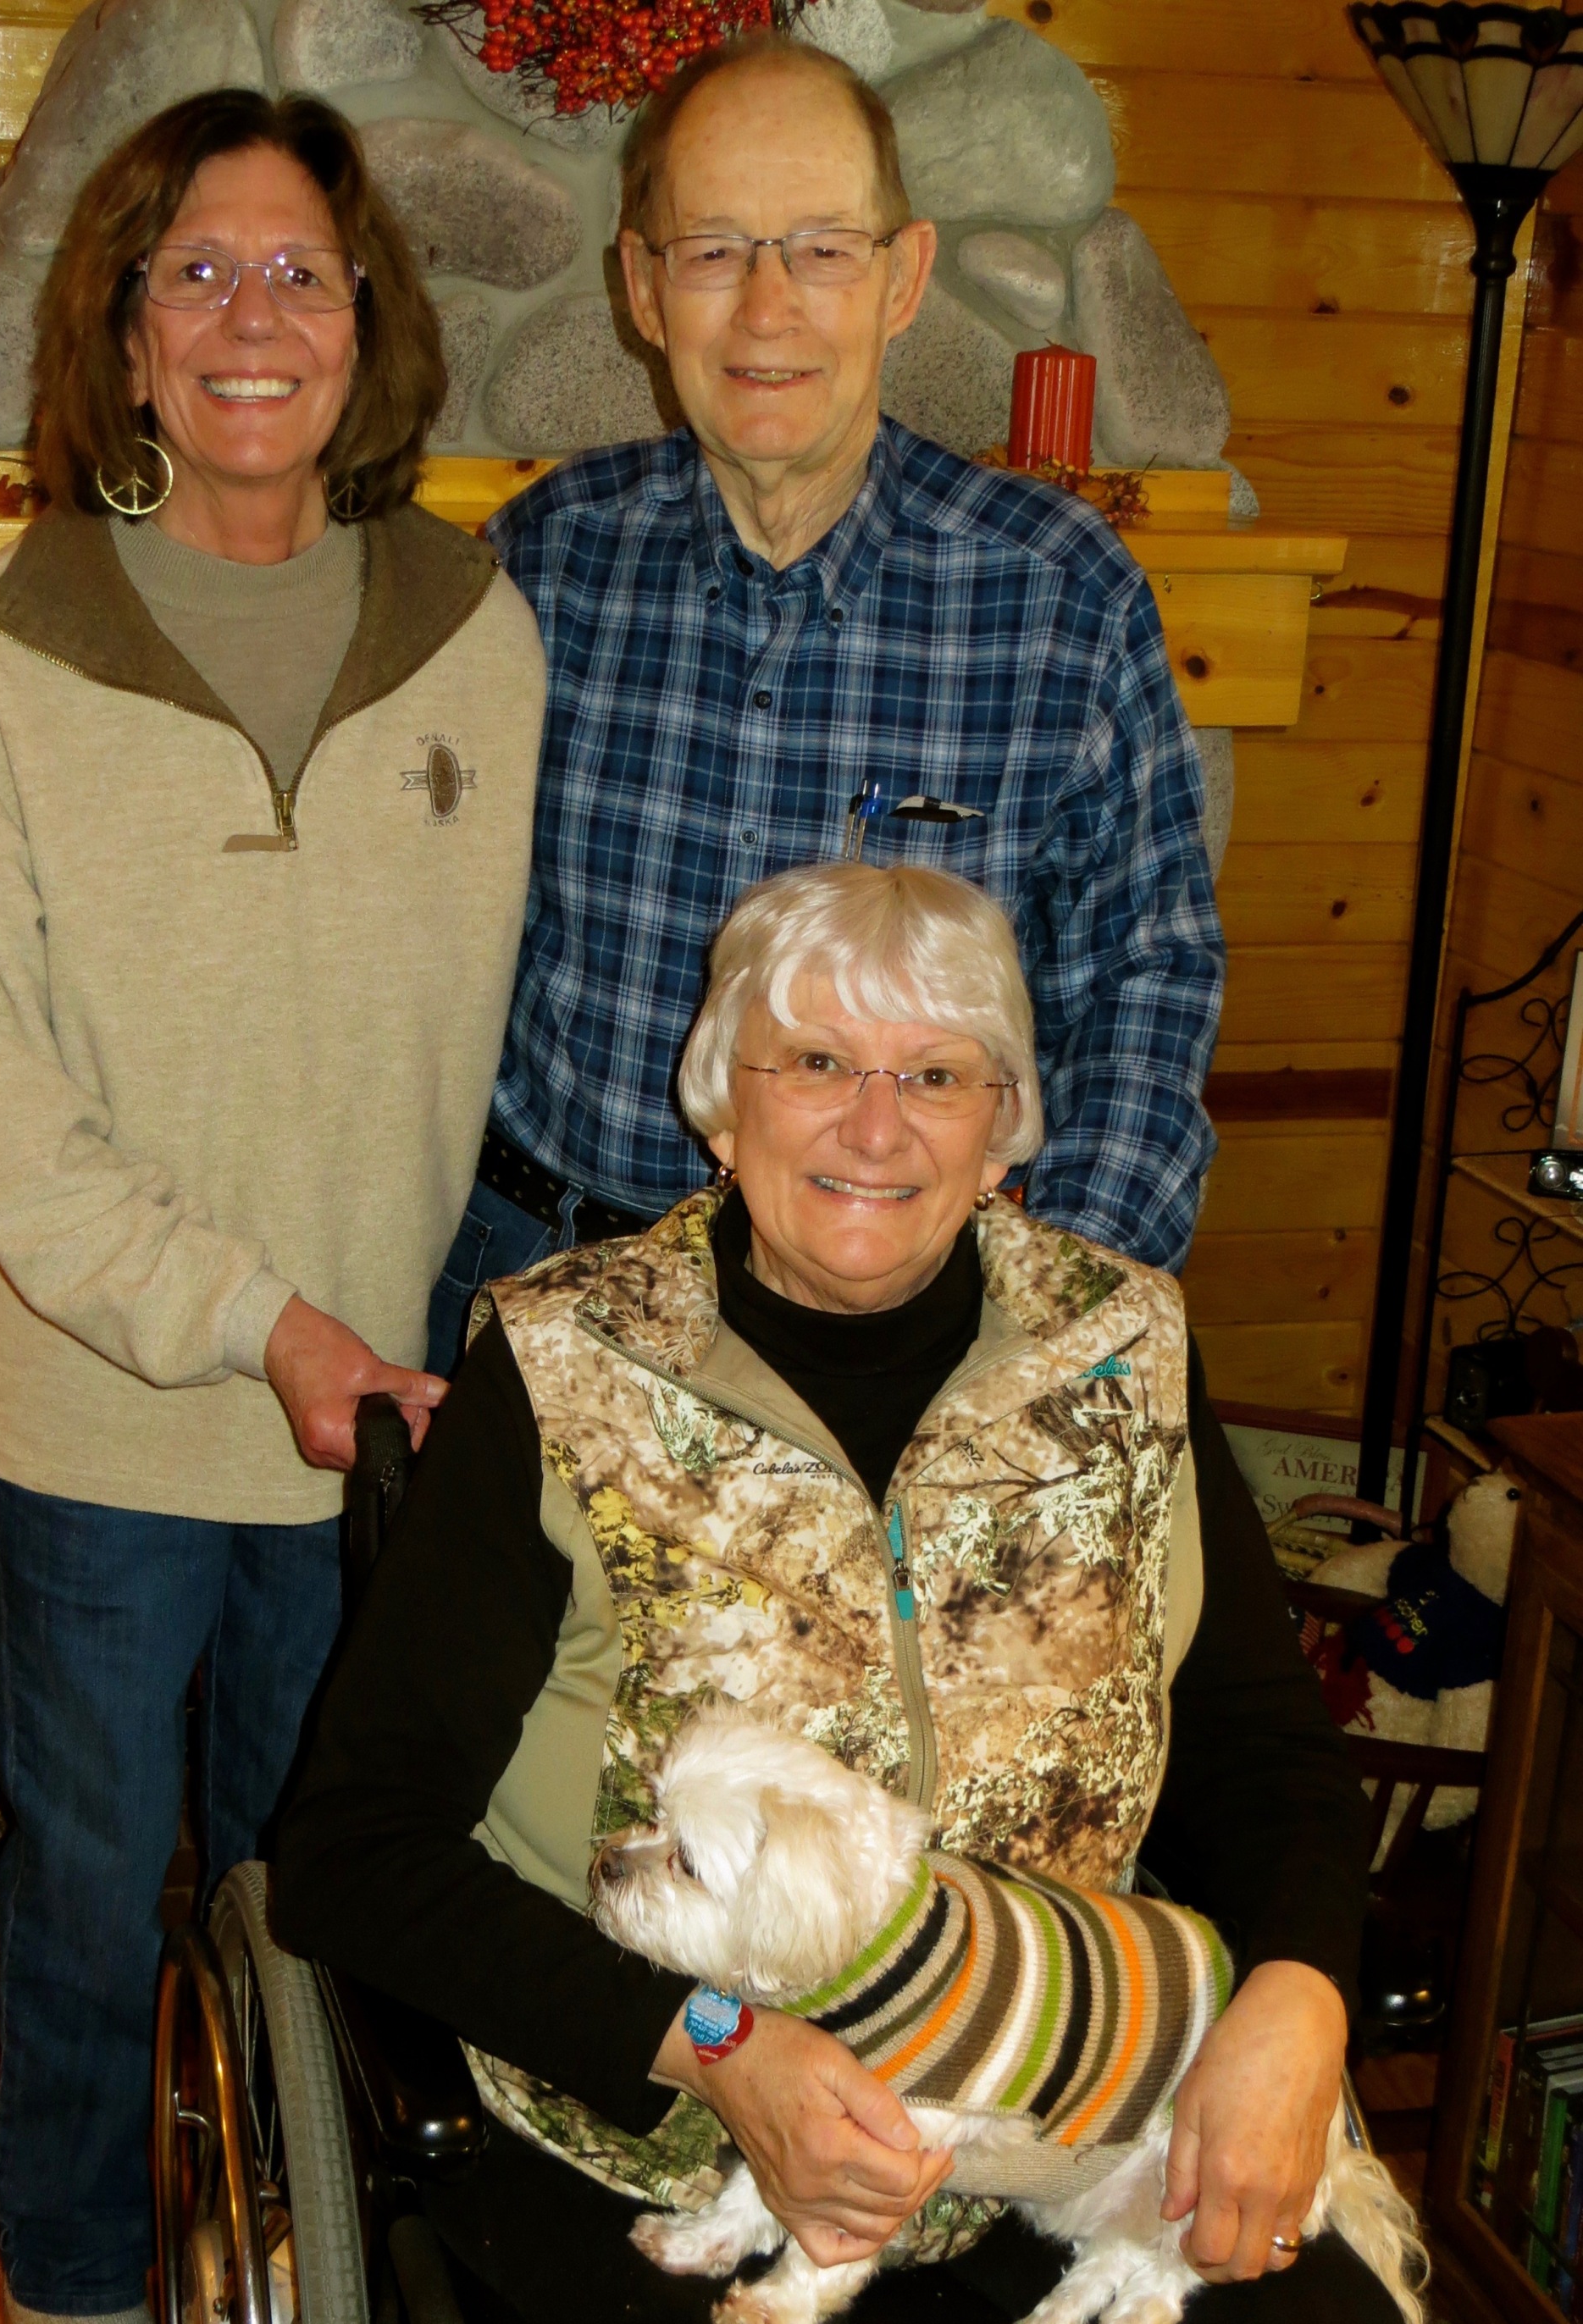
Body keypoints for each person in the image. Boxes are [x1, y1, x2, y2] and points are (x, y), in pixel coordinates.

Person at [278, 860, 1410, 2324]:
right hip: (656, 2125)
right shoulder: (565, 1369)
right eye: (814, 1063)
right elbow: (352, 1857)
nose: (875, 1125)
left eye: (937, 1074)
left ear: (1003, 1125)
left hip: (1057, 2092)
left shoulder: (1122, 1355)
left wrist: (1296, 2001)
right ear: (723, 1102)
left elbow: (1264, 1748)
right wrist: (720, 2045)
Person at [0, 87, 545, 2324]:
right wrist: (262, 1328)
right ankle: (73, 2267)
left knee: (318, 1882)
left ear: (370, 329)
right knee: (87, 1883)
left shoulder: (480, 633)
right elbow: (6, 1141)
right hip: (119, 1418)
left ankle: (310, 2255)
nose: (254, 315)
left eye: (302, 274)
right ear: (126, 337)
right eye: (199, 273)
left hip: (380, 1428)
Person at [428, 30, 1223, 1374]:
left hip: (896, 1325)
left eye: (822, 248)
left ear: (904, 277)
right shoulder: (541, 564)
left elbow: (1150, 983)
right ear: (642, 285)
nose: (767, 308)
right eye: (716, 250)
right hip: (544, 1285)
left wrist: (1040, 1321)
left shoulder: (1059, 597)